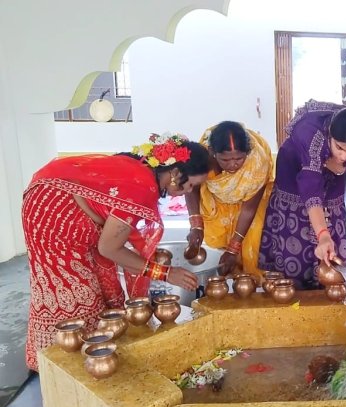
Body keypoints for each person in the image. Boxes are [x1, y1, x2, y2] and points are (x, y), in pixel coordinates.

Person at [21, 133, 209, 370]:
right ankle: (65, 367)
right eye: (190, 184)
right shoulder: (142, 186)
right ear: (175, 173)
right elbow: (109, 248)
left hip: (53, 198)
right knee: (76, 294)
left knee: (101, 285)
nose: (188, 191)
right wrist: (165, 273)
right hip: (54, 216)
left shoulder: (143, 169)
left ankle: (83, 358)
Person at [258, 101, 346, 289]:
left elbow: (343, 163)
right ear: (331, 136)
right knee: (298, 240)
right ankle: (297, 289)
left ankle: (328, 284)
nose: (344, 157)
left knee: (332, 235)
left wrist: (338, 166)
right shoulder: (309, 135)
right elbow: (311, 190)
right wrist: (323, 235)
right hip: (295, 176)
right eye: (339, 148)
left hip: (331, 176)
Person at [185, 121, 274, 276]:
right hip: (217, 201)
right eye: (225, 160)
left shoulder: (257, 164)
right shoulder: (203, 156)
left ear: (248, 152)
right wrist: (196, 225)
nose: (233, 165)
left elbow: (249, 209)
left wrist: (233, 249)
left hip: (250, 205)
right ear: (212, 152)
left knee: (253, 244)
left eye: (239, 158)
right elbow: (191, 186)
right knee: (219, 246)